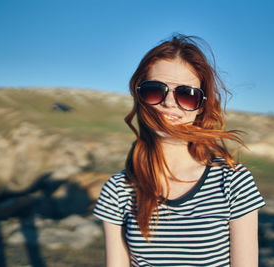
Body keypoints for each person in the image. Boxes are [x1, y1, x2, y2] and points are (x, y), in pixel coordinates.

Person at [94, 34, 265, 267]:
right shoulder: (118, 190)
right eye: (155, 90)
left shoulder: (233, 181)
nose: (170, 103)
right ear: (139, 96)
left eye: (187, 95)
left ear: (201, 107)